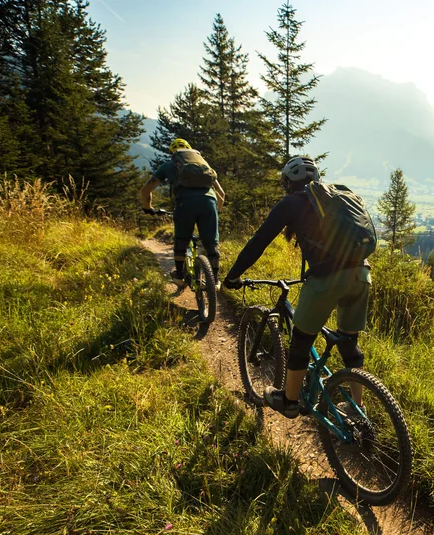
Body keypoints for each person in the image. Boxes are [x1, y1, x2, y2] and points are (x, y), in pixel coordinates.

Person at [223, 156, 371, 419]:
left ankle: (290, 402)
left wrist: (233, 275)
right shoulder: (333, 197)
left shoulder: (292, 202)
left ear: (289, 182)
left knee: (301, 340)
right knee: (349, 342)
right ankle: (357, 408)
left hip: (327, 278)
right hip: (361, 274)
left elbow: (259, 241)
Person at [140, 138, 225, 289]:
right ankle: (216, 280)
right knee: (211, 243)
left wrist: (148, 207)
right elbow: (222, 194)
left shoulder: (169, 165)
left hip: (185, 204)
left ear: (173, 153)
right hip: (209, 203)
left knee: (181, 239)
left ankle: (179, 275)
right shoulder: (203, 165)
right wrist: (216, 211)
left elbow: (146, 189)